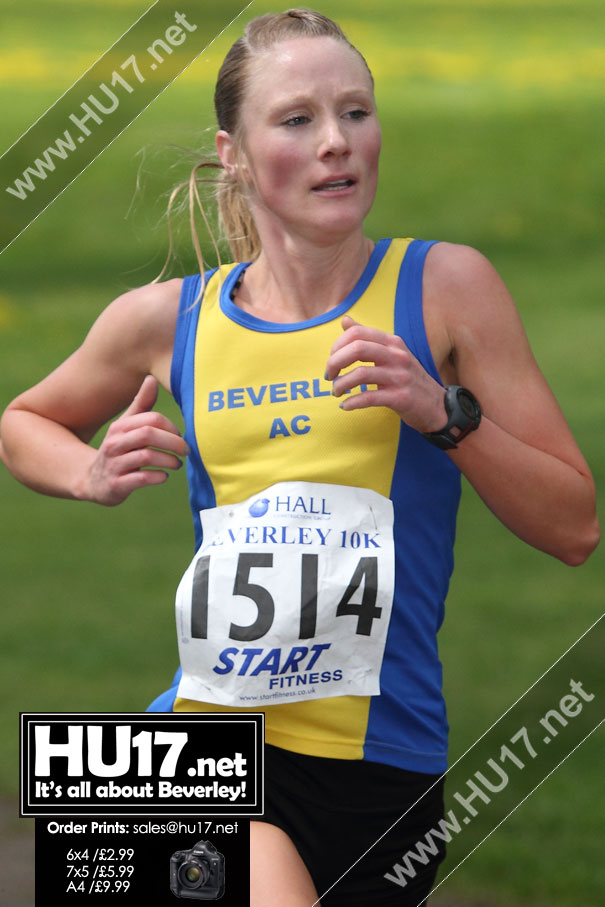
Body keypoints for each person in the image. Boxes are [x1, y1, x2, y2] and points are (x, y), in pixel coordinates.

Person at [0, 8, 599, 906]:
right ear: (232, 151)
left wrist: (440, 413)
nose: (335, 143)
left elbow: (574, 526)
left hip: (382, 767)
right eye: (296, 119)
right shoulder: (168, 319)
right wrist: (87, 471)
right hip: (191, 750)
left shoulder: (443, 289)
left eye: (354, 112)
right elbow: (23, 421)